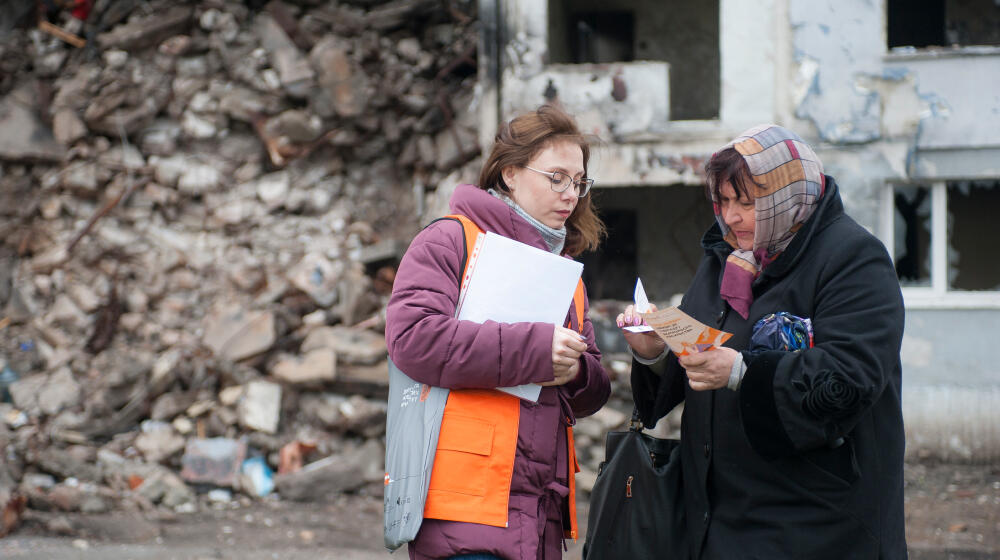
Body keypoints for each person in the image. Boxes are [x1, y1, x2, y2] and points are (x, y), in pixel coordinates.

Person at [618, 124, 907, 559]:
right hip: (717, 521)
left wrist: (740, 372)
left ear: (789, 196)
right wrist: (654, 353)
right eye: (725, 201)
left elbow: (851, 378)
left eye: (748, 203)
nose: (731, 217)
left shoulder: (853, 258)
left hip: (816, 527)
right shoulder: (727, 258)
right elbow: (696, 356)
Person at [385, 104, 611, 560]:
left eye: (579, 181)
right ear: (509, 172)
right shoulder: (450, 240)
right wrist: (537, 350)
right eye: (556, 177)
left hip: (540, 517)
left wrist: (575, 372)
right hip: (464, 510)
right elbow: (413, 340)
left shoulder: (567, 273)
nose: (571, 194)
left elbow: (592, 389)